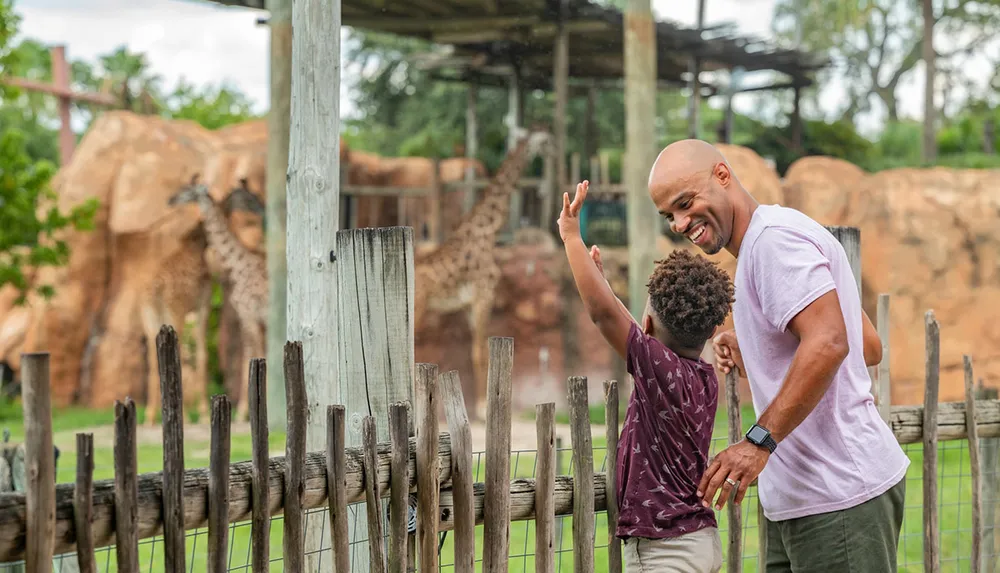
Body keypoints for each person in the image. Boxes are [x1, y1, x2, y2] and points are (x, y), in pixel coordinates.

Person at [647, 139, 908, 572]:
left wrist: (758, 442)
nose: (678, 222)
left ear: (723, 176)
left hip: (838, 498)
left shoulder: (773, 244)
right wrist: (751, 346)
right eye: (668, 214)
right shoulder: (776, 235)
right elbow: (866, 347)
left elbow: (829, 343)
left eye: (685, 202)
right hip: (802, 501)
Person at [557, 180, 735, 573]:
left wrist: (571, 237)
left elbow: (605, 316)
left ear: (649, 324)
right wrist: (599, 280)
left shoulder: (662, 371)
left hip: (665, 553)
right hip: (698, 542)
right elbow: (624, 323)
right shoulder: (703, 377)